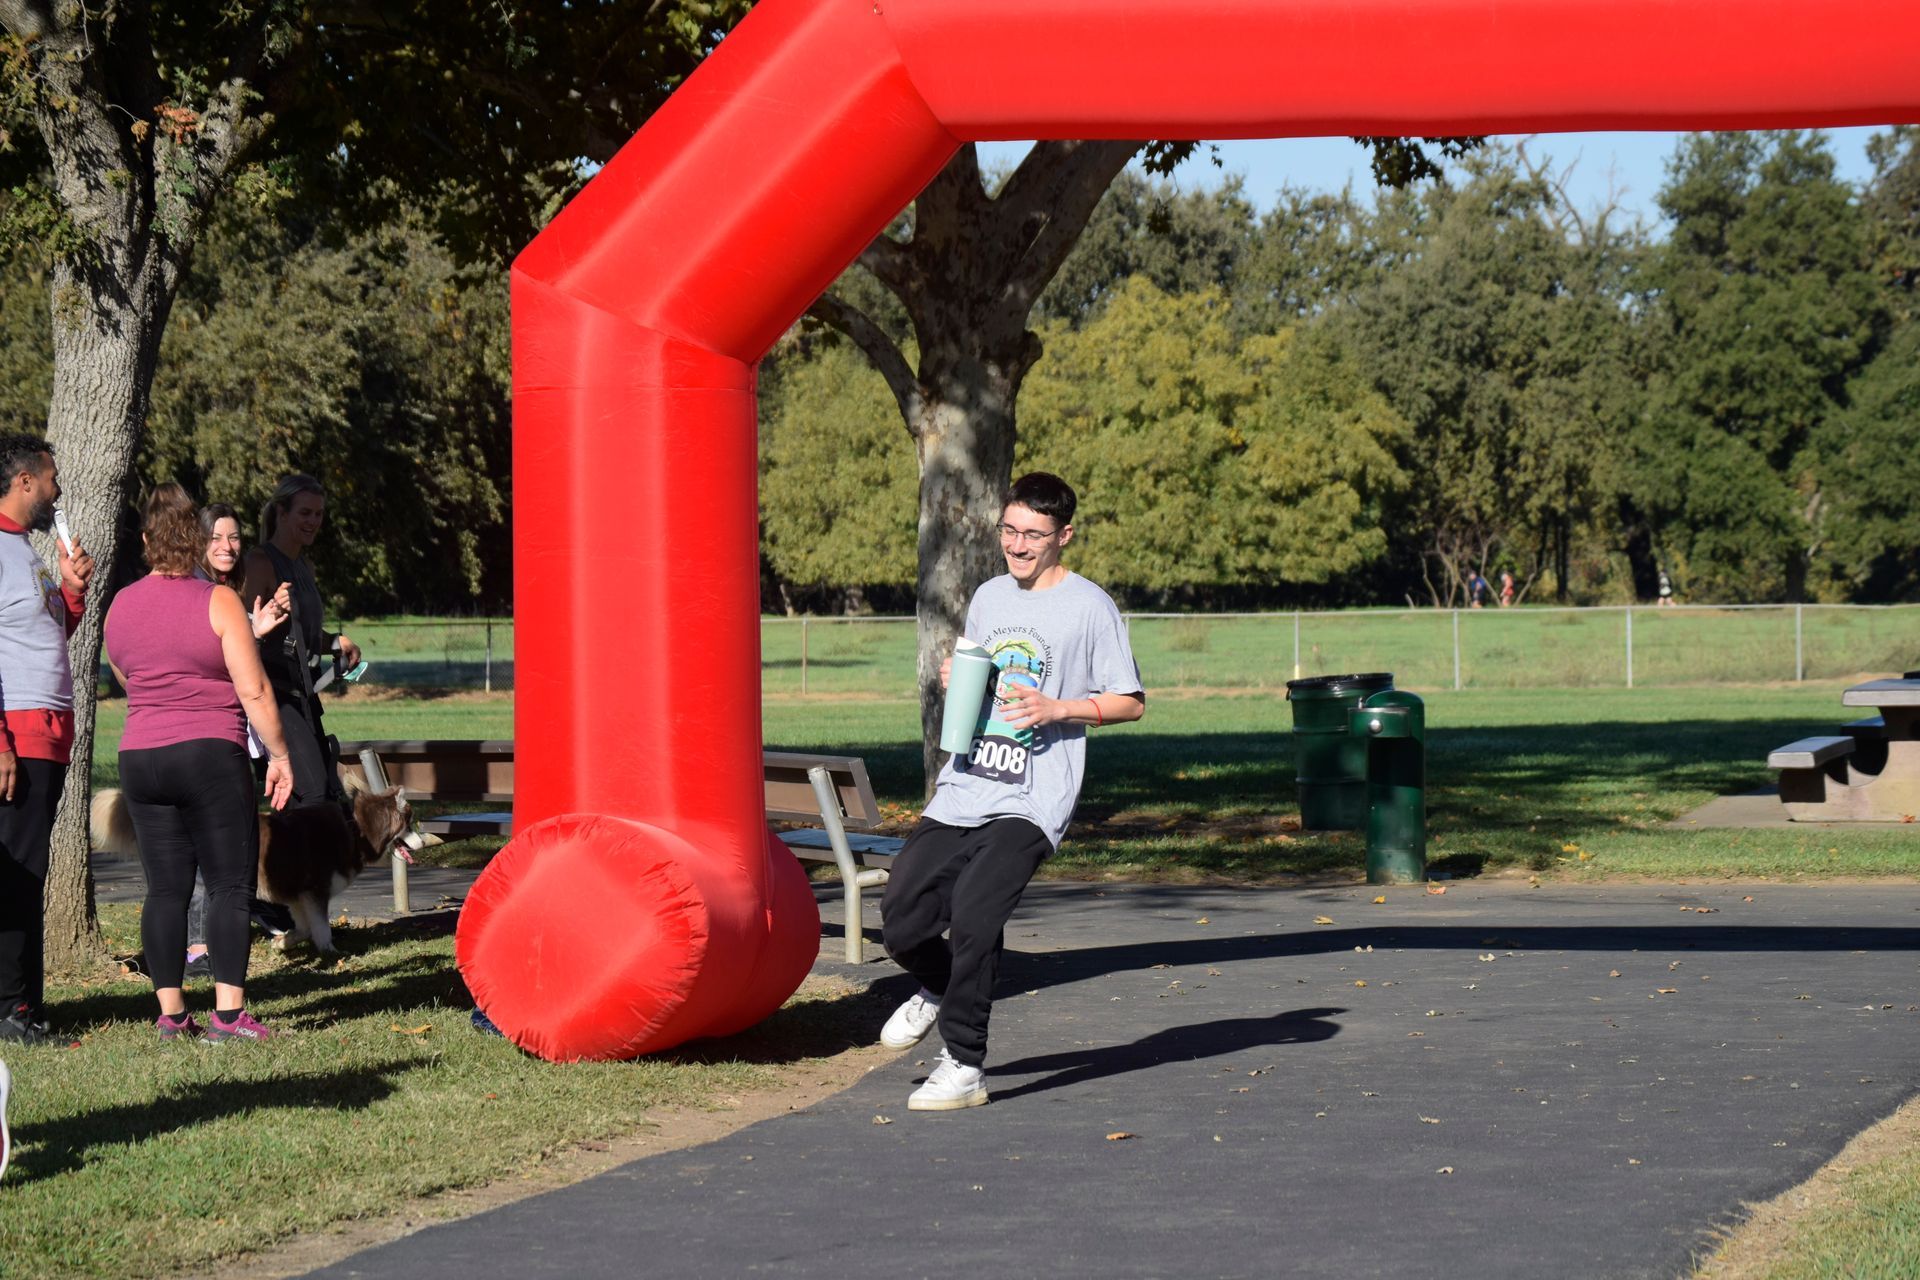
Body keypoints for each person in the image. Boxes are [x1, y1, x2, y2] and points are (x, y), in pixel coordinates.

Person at [877, 472, 1145, 1111]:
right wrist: (955, 673)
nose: (1018, 545)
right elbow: (981, 671)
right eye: (1009, 531)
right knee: (901, 919)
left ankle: (965, 1064)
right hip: (966, 783)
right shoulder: (992, 595)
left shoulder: (1089, 606)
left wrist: (1061, 709)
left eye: (1033, 535)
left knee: (975, 914)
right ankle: (938, 985)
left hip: (1032, 796)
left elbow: (1131, 703)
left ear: (1064, 537)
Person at [105, 485, 294, 1041]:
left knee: (164, 889)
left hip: (141, 756)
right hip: (210, 753)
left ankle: (171, 1015)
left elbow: (126, 676)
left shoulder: (120, 605)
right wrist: (280, 755)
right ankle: (229, 1017)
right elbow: (254, 688)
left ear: (144, 541)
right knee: (229, 886)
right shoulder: (218, 600)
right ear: (194, 540)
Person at [0, 434, 93, 1044]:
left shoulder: (29, 551)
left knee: (30, 872)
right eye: (52, 478)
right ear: (27, 481)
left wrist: (71, 590)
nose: (58, 490)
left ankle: (26, 1006)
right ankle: (11, 1011)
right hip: (19, 731)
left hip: (50, 731)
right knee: (16, 874)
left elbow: (48, 629)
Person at [180, 503, 293, 977]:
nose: (227, 547)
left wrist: (258, 631)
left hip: (237, 735)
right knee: (204, 849)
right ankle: (196, 949)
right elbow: (209, 658)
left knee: (231, 846)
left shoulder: (229, 591)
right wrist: (253, 631)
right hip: (202, 736)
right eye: (216, 538)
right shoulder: (192, 592)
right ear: (197, 542)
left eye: (234, 537)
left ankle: (222, 938)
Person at [241, 476, 360, 809]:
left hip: (304, 695)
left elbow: (300, 633)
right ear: (282, 513)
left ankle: (299, 860)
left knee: (321, 794)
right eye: (305, 513)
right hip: (275, 696)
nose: (313, 522)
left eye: (318, 514)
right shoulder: (260, 563)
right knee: (310, 795)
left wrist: (336, 642)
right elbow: (245, 632)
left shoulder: (304, 565)